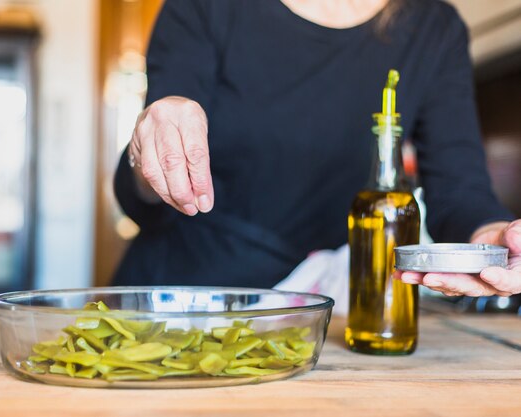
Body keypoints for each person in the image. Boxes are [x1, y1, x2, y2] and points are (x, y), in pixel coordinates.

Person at [113, 0, 521, 298]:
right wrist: (152, 152)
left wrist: (496, 243)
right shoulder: (208, 7)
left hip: (306, 313)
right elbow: (143, 195)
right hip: (175, 296)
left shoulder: (434, 29)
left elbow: (459, 192)